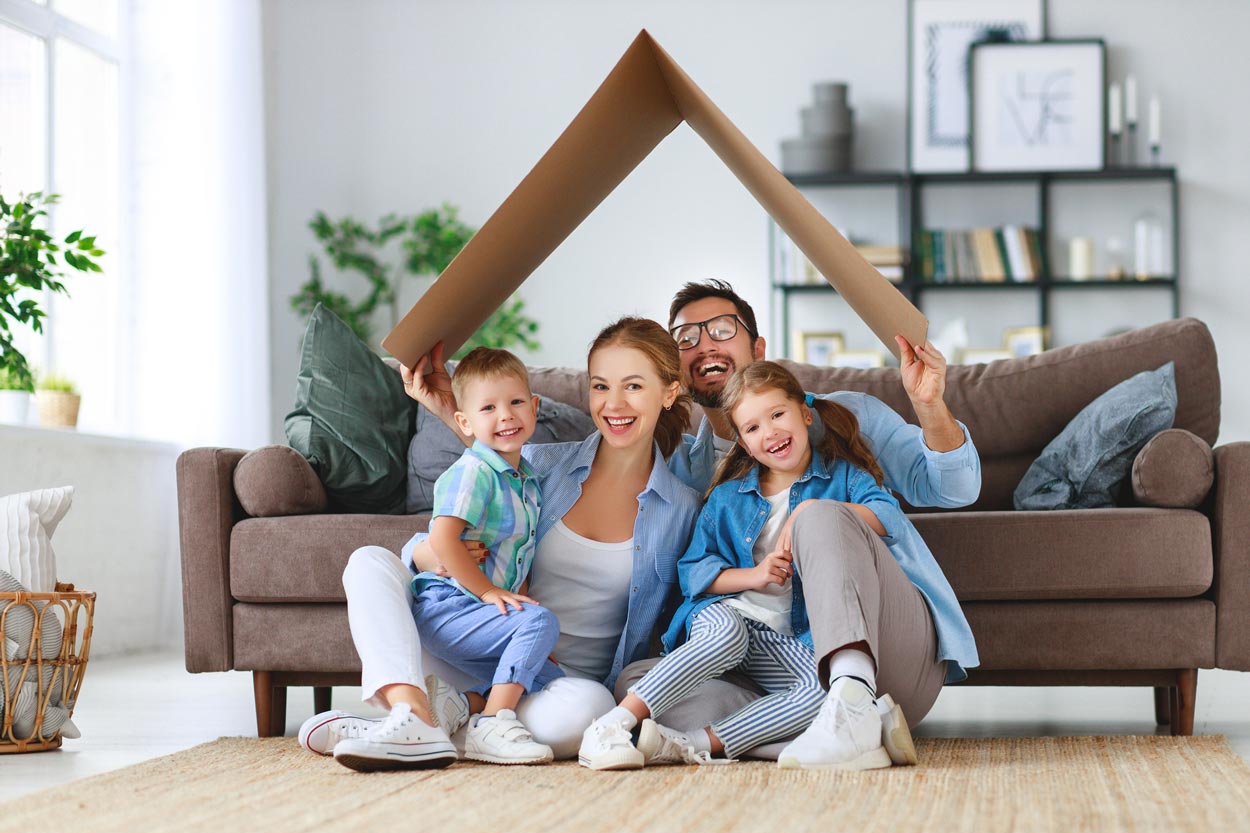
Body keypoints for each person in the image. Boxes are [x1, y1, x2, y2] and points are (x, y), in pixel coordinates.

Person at [298, 318, 702, 767]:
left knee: (590, 712)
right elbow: (477, 482)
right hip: (474, 643)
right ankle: (414, 711)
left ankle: (426, 723)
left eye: (633, 386)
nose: (614, 404)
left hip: (553, 684)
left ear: (669, 392)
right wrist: (425, 553)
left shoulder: (682, 507)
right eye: (601, 386)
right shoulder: (543, 464)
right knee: (369, 561)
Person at [612, 279, 981, 767]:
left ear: (758, 347)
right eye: (685, 338)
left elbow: (955, 490)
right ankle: (792, 733)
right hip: (771, 664)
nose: (704, 346)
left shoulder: (848, 423)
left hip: (886, 651)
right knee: (642, 688)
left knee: (820, 515)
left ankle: (849, 700)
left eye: (721, 329)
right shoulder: (681, 468)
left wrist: (930, 403)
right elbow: (678, 572)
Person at [580, 361, 917, 770]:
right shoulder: (727, 498)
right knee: (684, 656)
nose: (770, 433)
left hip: (787, 641)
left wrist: (815, 509)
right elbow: (694, 572)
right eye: (753, 428)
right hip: (728, 620)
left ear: (805, 415)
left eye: (777, 415)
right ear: (742, 443)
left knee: (825, 690)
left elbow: (890, 517)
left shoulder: (842, 478)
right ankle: (613, 724)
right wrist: (755, 576)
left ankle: (695, 743)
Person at [357, 347, 557, 768]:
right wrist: (486, 592)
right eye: (489, 407)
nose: (506, 416)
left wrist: (519, 612)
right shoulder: (474, 472)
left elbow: (519, 559)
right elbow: (443, 539)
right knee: (543, 621)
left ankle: (456, 706)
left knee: (549, 676)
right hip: (448, 606)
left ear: (535, 407)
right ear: (464, 422)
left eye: (516, 402)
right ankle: (492, 723)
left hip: (479, 613)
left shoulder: (529, 482)